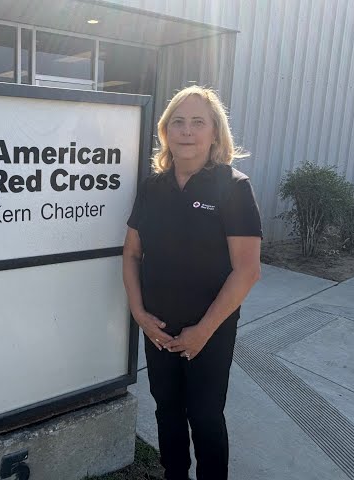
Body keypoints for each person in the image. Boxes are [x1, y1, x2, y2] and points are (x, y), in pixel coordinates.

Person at [122, 85, 262, 480]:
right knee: (166, 407)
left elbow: (247, 270)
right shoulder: (152, 187)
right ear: (166, 132)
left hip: (210, 331)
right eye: (178, 122)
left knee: (203, 416)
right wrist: (140, 314)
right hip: (158, 329)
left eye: (198, 122)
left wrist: (202, 331)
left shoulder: (233, 187)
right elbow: (131, 254)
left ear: (215, 133)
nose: (187, 131)